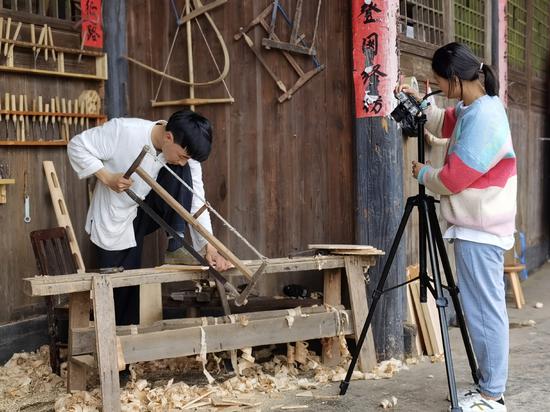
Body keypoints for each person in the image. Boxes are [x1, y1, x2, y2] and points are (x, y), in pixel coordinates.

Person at [399, 42, 516, 412]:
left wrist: (423, 173)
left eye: (437, 83)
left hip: (481, 227)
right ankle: (488, 387)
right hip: (478, 224)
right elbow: (443, 120)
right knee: (483, 307)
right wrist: (419, 101)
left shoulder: (485, 118)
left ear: (454, 80)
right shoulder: (474, 106)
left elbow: (453, 179)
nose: (436, 89)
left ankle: (491, 394)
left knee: (484, 310)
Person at [67, 110, 232, 326]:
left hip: (147, 207)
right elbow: (77, 145)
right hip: (116, 213)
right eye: (183, 156)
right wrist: (107, 178)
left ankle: (176, 243)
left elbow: (195, 200)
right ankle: (118, 352)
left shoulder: (184, 155)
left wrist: (210, 247)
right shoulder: (124, 130)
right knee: (121, 289)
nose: (184, 161)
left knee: (181, 173)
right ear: (169, 137)